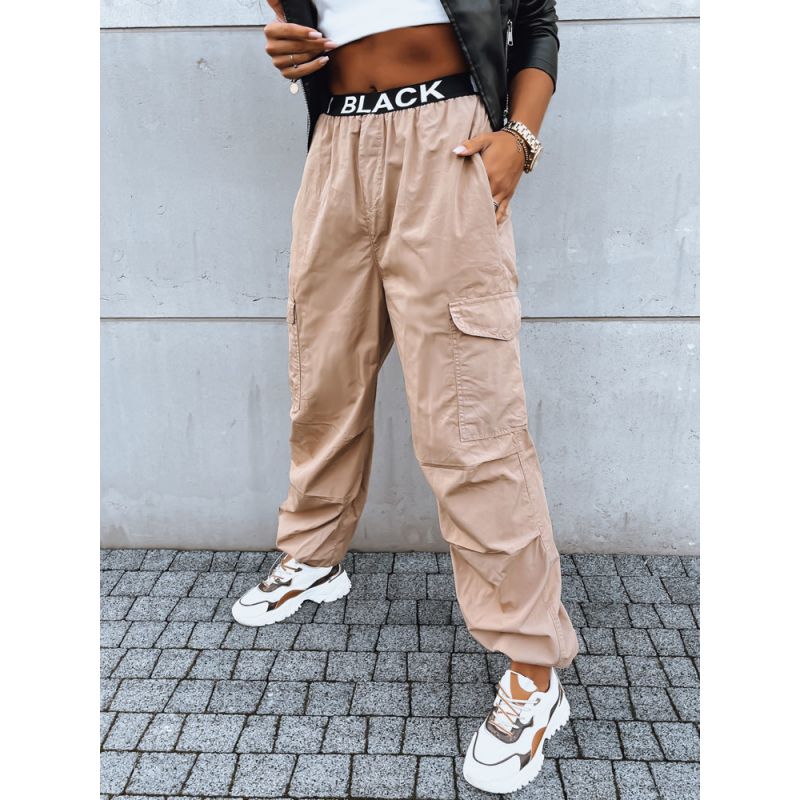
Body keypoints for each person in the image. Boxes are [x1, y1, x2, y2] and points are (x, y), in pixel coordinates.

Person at [232, 0, 579, 793]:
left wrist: (519, 140)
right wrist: (286, 48)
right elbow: (299, 29)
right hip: (337, 143)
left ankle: (534, 665)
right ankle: (314, 553)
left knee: (469, 412)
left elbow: (537, 23)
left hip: (447, 140)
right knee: (324, 374)